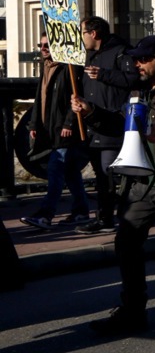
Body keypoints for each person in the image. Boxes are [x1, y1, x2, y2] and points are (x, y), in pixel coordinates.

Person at [77, 35, 155, 336]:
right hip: (140, 184)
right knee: (127, 243)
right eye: (135, 59)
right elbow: (117, 124)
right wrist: (90, 111)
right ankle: (133, 311)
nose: (136, 63)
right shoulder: (136, 92)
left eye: (143, 59)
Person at [20, 34, 90, 230]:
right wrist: (34, 125)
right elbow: (39, 98)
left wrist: (69, 124)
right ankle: (81, 210)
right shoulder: (47, 67)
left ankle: (46, 215)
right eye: (40, 45)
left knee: (55, 170)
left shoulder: (68, 67)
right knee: (71, 172)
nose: (43, 49)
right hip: (50, 129)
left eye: (47, 45)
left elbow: (75, 97)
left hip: (64, 131)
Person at [77, 15, 139, 234]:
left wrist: (105, 75)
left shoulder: (121, 51)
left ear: (93, 34)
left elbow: (133, 79)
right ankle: (104, 217)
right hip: (92, 125)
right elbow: (83, 87)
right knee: (100, 175)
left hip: (113, 124)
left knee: (108, 173)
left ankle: (113, 218)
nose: (81, 37)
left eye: (82, 32)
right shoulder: (88, 55)